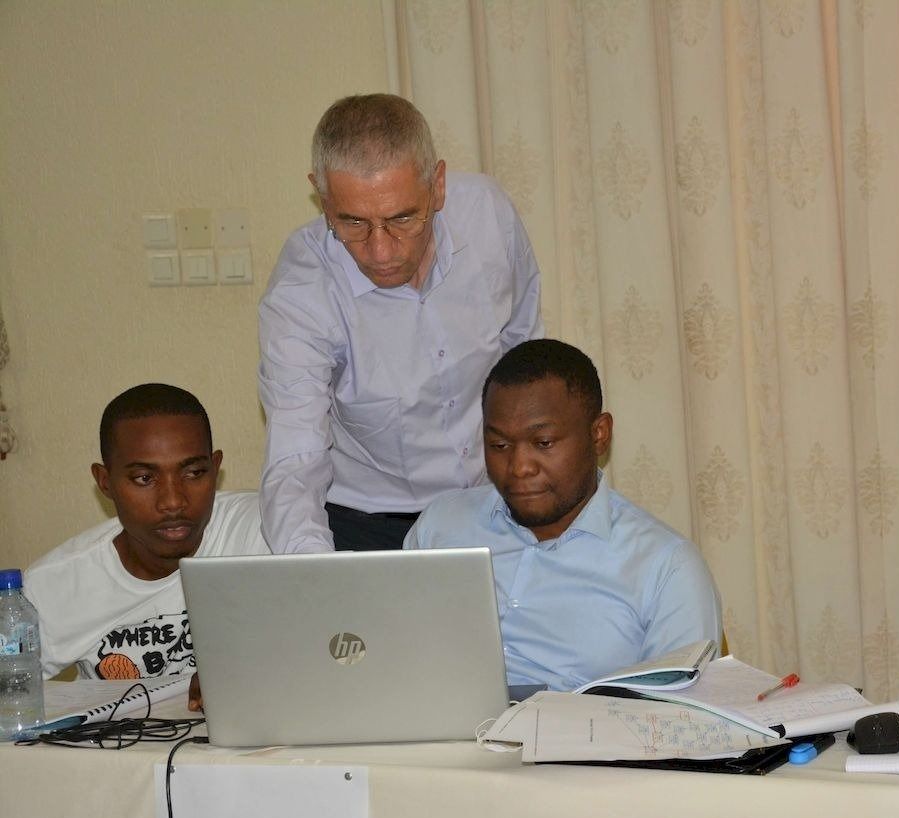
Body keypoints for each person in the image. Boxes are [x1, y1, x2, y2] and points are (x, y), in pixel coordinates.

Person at [259, 93, 542, 553]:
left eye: (402, 218)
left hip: (497, 502)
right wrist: (313, 574)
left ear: (438, 186)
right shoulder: (301, 292)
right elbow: (295, 458)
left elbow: (526, 351)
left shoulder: (488, 217)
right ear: (322, 198)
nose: (381, 251)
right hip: (372, 523)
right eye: (353, 223)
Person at [404, 339, 722, 691]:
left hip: (586, 726)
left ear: (599, 435)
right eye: (499, 445)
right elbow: (393, 653)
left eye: (543, 443)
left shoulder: (666, 568)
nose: (519, 467)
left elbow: (684, 710)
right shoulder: (441, 526)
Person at [23, 384, 267, 710]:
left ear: (215, 467)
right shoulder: (54, 586)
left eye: (194, 472)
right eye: (144, 478)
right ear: (105, 482)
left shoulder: (265, 531)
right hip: (116, 743)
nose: (173, 501)